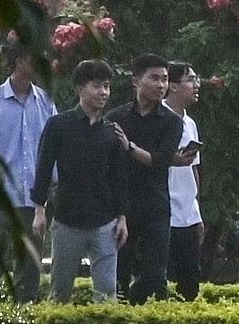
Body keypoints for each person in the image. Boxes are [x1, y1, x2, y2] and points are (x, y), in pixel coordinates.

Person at [33, 59, 130, 302]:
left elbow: (119, 178)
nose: (103, 93)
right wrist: (39, 210)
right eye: (97, 86)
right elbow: (43, 168)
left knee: (107, 294)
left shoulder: (111, 131)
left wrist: (122, 217)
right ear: (79, 89)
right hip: (68, 220)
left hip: (105, 222)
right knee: (60, 291)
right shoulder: (59, 125)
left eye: (107, 86)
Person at [0, 54, 57, 302]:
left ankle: (22, 320)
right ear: (19, 61)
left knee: (30, 267)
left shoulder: (46, 102)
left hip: (34, 201)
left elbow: (53, 149)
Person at [111, 54, 182, 303]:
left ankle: (140, 309)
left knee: (155, 274)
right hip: (122, 205)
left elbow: (159, 161)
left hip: (155, 204)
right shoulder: (116, 118)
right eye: (154, 78)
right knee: (118, 273)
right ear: (136, 81)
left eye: (164, 79)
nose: (161, 85)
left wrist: (128, 146)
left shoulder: (172, 122)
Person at [162, 60, 209, 300]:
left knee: (190, 281)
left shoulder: (190, 123)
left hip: (188, 214)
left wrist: (196, 211)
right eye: (190, 80)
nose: (196, 85)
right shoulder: (158, 119)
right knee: (162, 280)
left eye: (196, 79)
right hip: (163, 211)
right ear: (172, 86)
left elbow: (194, 171)